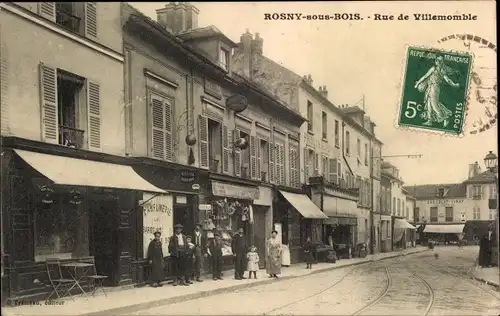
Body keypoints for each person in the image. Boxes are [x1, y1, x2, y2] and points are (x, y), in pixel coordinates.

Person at [414, 56, 459, 127]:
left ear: (441, 62)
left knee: (434, 104)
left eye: (439, 61)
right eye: (436, 60)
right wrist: (418, 83)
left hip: (435, 88)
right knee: (429, 104)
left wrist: (454, 85)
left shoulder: (442, 70)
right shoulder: (433, 68)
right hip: (430, 87)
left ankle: (445, 118)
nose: (437, 61)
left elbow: (448, 80)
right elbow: (425, 76)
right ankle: (429, 120)